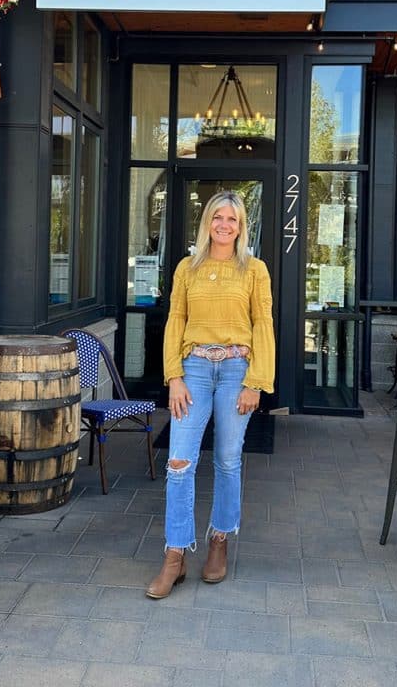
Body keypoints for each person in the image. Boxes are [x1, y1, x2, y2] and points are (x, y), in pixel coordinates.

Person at [146, 190, 275, 599]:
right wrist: (173, 376)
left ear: (241, 227)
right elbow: (175, 320)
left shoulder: (254, 270)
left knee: (227, 459)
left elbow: (263, 324)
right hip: (194, 369)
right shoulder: (188, 268)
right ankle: (175, 555)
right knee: (179, 461)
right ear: (207, 223)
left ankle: (219, 541)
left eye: (232, 219)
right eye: (218, 217)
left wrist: (256, 381)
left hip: (238, 368)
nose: (224, 225)